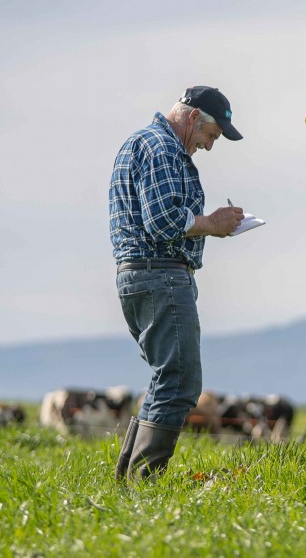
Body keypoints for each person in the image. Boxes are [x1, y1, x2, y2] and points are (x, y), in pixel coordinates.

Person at [109, 86, 246, 480]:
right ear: (192, 118)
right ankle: (144, 483)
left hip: (142, 275)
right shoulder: (162, 148)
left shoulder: (147, 144)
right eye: (211, 135)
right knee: (181, 381)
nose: (209, 146)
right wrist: (213, 224)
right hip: (160, 275)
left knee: (166, 378)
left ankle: (129, 482)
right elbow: (165, 221)